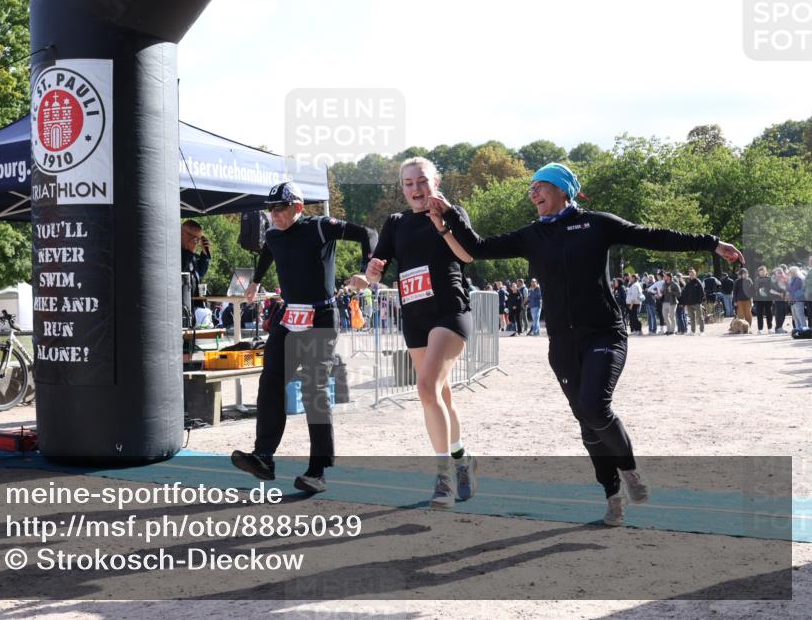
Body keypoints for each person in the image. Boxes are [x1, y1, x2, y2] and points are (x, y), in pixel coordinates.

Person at [429, 162, 743, 526]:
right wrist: (448, 216)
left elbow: (655, 236)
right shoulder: (532, 235)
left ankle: (629, 470)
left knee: (595, 407)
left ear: (563, 190)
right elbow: (477, 248)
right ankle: (612, 494)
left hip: (604, 333)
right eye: (531, 188)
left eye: (540, 185)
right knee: (586, 420)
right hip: (562, 343)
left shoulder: (597, 224)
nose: (533, 193)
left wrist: (712, 243)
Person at [231, 182, 377, 494]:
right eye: (270, 209)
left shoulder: (320, 227)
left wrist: (367, 271)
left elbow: (368, 233)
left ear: (298, 207)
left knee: (314, 389)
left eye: (280, 208)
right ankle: (264, 456)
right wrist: (255, 282)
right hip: (289, 317)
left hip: (321, 315)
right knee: (270, 382)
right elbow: (269, 250)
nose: (274, 214)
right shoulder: (273, 234)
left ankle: (318, 470)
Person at [353, 157, 480, 509]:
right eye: (408, 184)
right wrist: (369, 273)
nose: (416, 189)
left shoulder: (453, 213)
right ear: (402, 189)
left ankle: (444, 477)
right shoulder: (395, 223)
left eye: (421, 181)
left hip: (450, 312)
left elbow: (468, 255)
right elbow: (375, 273)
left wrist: (443, 225)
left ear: (435, 181)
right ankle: (462, 459)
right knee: (440, 395)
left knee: (425, 388)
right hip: (415, 318)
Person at [681, 269, 705, 335]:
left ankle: (702, 331)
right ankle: (692, 331)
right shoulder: (688, 283)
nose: (691, 275)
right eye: (690, 274)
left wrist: (699, 301)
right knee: (692, 318)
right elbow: (685, 293)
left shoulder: (698, 282)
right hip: (689, 303)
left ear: (695, 274)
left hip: (697, 303)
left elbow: (702, 292)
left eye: (692, 274)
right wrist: (685, 302)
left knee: (700, 317)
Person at [786, 266, 808, 331]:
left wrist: (788, 287)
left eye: (790, 272)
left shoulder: (798, 279)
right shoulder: (792, 279)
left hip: (798, 299)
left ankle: (804, 330)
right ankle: (798, 330)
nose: (789, 273)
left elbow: (793, 289)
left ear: (794, 272)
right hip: (793, 300)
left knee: (800, 316)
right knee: (795, 317)